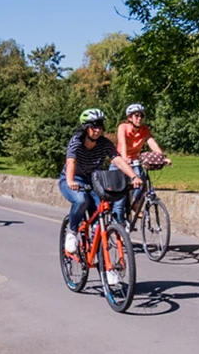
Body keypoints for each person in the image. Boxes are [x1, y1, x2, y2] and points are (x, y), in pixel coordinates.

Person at [59, 108, 141, 258]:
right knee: (81, 200)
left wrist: (134, 176)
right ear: (85, 127)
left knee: (102, 215)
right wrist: (71, 181)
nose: (97, 130)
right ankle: (72, 231)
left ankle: (106, 268)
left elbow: (118, 160)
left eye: (100, 126)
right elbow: (71, 162)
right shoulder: (76, 141)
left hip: (94, 180)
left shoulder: (104, 144)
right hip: (73, 179)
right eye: (93, 126)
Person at [116, 102, 170, 218]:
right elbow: (123, 143)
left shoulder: (144, 130)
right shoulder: (123, 127)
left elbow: (152, 143)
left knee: (143, 182)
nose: (139, 118)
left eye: (141, 116)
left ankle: (135, 203)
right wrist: (124, 157)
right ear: (129, 118)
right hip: (120, 161)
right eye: (136, 116)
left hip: (134, 160)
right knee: (118, 194)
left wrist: (162, 158)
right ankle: (116, 221)